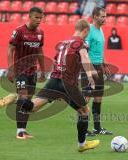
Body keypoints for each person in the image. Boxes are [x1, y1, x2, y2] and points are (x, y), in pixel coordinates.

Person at [18, 19, 100, 152]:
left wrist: (92, 70)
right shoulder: (81, 43)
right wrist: (90, 76)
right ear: (85, 30)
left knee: (32, 107)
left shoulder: (63, 43)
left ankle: (18, 99)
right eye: (87, 33)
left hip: (54, 80)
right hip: (67, 83)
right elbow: (84, 57)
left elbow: (59, 60)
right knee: (84, 112)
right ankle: (82, 144)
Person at [1, 7, 46, 139]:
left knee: (28, 101)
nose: (39, 20)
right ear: (30, 17)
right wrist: (10, 68)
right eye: (36, 17)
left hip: (32, 71)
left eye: (40, 18)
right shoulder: (19, 31)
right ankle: (19, 131)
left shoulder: (40, 33)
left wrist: (43, 70)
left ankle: (24, 130)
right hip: (20, 70)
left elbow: (40, 52)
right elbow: (10, 50)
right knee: (23, 97)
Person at [81, 7, 112, 136]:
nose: (104, 19)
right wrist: (89, 70)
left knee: (98, 98)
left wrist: (104, 65)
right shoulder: (89, 30)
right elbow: (84, 49)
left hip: (99, 67)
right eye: (102, 16)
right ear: (95, 16)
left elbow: (100, 50)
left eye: (105, 16)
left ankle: (97, 128)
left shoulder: (101, 30)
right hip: (89, 67)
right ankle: (83, 129)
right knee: (86, 98)